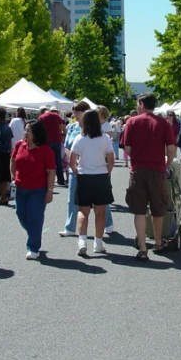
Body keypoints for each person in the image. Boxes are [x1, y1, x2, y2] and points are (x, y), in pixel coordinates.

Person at [122, 93, 176, 261]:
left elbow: (127, 148)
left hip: (138, 169)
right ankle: (159, 242)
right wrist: (167, 165)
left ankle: (143, 248)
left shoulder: (132, 122)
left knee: (139, 209)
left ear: (141, 104)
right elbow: (171, 149)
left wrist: (136, 157)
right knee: (157, 208)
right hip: (157, 170)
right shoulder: (163, 123)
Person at [70, 109, 115, 256]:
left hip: (84, 176)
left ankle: (82, 241)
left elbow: (72, 160)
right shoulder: (105, 138)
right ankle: (98, 243)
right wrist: (107, 171)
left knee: (83, 211)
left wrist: (77, 171)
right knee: (100, 212)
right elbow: (111, 159)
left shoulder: (79, 138)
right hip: (101, 176)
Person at [11, 121, 55, 260]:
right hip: (20, 187)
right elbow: (13, 160)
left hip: (38, 190)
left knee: (34, 217)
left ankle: (33, 247)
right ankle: (35, 234)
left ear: (36, 133)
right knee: (21, 214)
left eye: (28, 130)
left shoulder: (46, 150)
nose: (25, 133)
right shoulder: (19, 145)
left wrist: (50, 191)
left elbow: (51, 171)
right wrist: (12, 176)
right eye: (25, 130)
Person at [58, 101, 91, 237]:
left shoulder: (93, 128)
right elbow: (66, 146)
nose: (75, 114)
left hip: (90, 168)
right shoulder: (71, 127)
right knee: (72, 198)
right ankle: (70, 228)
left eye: (78, 112)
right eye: (74, 112)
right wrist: (70, 160)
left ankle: (107, 223)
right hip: (74, 168)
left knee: (98, 201)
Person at [97, 105, 115, 234]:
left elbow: (108, 141)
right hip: (97, 158)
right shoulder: (95, 125)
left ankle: (108, 223)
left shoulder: (106, 125)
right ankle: (106, 223)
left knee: (103, 191)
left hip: (104, 158)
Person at [38, 105, 66, 185]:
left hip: (47, 142)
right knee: (58, 161)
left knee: (47, 162)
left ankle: (47, 180)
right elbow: (62, 126)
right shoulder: (56, 115)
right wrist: (61, 133)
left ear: (41, 111)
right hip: (57, 140)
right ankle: (61, 180)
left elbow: (39, 130)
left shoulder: (41, 117)